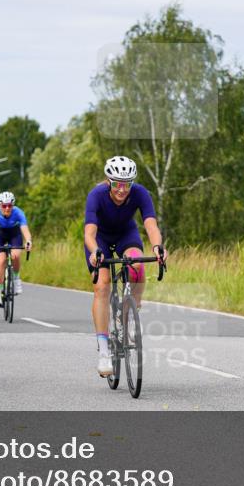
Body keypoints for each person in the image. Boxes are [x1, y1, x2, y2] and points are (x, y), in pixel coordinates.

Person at [84, 156, 166, 377]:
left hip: (125, 235)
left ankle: (130, 315)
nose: (122, 190)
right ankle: (103, 350)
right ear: (108, 181)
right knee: (102, 286)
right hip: (99, 240)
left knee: (137, 265)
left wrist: (158, 247)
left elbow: (150, 224)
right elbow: (89, 233)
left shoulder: (140, 193)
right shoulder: (96, 195)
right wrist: (95, 252)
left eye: (127, 184)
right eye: (117, 184)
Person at [0, 191, 33, 307]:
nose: (7, 208)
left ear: (13, 205)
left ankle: (16, 279)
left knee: (16, 255)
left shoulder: (18, 212)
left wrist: (28, 241)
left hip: (14, 234)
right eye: (4, 206)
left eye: (9, 206)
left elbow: (25, 230)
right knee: (1, 261)